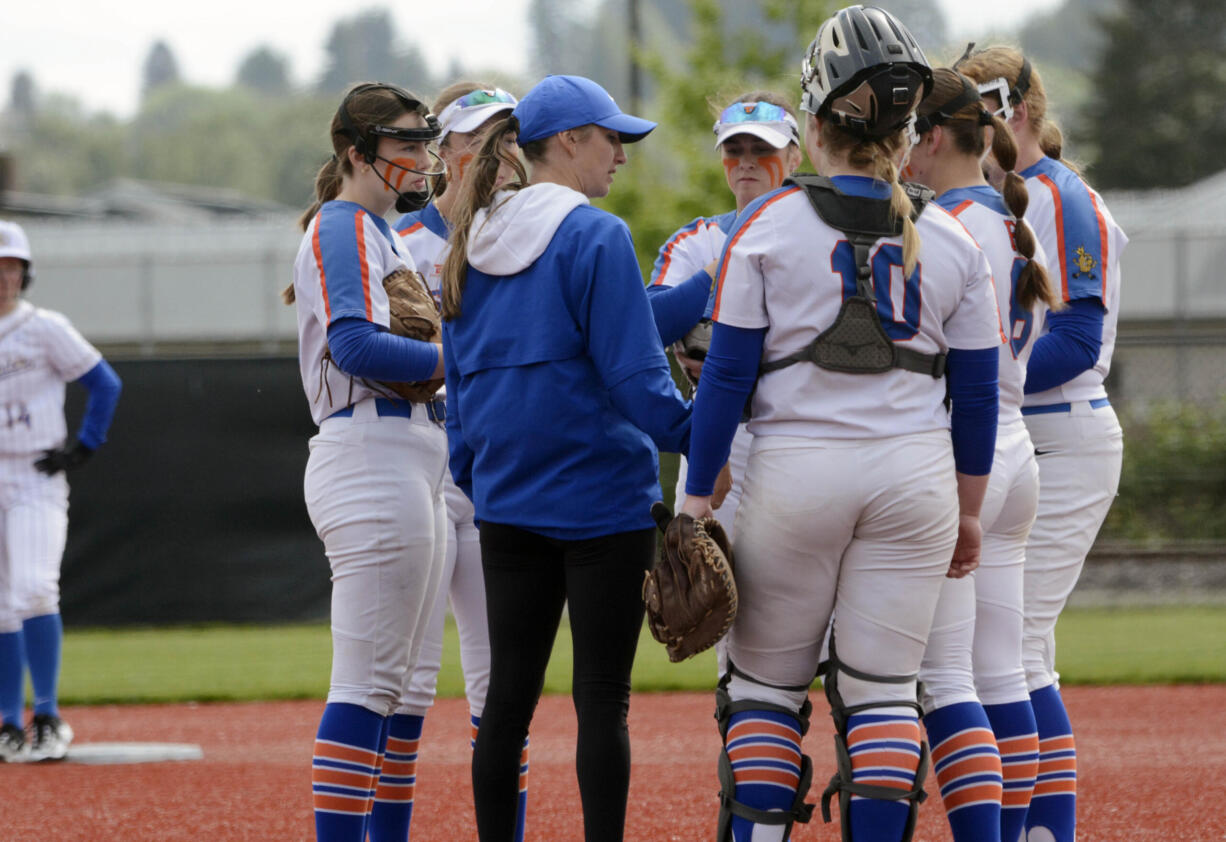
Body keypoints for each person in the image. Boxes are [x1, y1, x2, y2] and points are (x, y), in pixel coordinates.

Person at [677, 7, 1006, 842]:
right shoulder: (953, 238)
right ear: (907, 127)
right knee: (886, 695)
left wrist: (695, 497)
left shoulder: (762, 228)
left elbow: (724, 380)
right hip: (917, 479)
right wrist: (970, 510)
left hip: (795, 472)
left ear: (814, 122)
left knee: (764, 692)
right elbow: (976, 397)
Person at [439, 74, 692, 842]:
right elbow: (638, 385)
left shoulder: (469, 239)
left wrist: (481, 480)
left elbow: (459, 391)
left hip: (507, 504)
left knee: (506, 704)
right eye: (610, 136)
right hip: (602, 502)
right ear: (568, 140)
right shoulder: (594, 235)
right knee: (601, 699)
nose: (621, 153)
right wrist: (714, 428)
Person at [957, 45, 1128, 842]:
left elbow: (1082, 340)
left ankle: (1036, 829)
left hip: (1064, 429)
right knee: (1020, 646)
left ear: (1017, 107)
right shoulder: (992, 199)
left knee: (1015, 645)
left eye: (979, 102)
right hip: (1030, 432)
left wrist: (977, 377)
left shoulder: (1061, 196)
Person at [288, 82, 450, 842]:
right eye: (404, 144)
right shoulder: (345, 223)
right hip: (370, 448)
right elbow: (353, 347)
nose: (421, 157)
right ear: (357, 154)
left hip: (412, 448)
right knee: (370, 682)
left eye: (424, 141)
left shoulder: (382, 229)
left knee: (409, 688)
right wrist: (464, 358)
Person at [906, 67, 1062, 842]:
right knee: (1005, 673)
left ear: (931, 137)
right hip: (1014, 448)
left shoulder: (945, 224)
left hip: (961, 452)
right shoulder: (1006, 217)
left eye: (906, 131)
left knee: (945, 678)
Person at [391, 82, 530, 842]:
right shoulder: (400, 243)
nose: (497, 151)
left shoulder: (531, 238)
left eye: (508, 135)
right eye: (479, 136)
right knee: (404, 689)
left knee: (499, 689)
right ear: (445, 152)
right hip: (420, 469)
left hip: (494, 484)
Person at [647, 91, 803, 533]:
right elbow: (648, 326)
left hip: (797, 429)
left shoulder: (819, 235)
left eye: (763, 149)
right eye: (734, 150)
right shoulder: (697, 240)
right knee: (704, 594)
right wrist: (719, 269)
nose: (747, 162)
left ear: (795, 157)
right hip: (718, 431)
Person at [0, 219, 122, 763]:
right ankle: (8, 723)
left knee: (34, 590)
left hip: (34, 474)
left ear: (25, 273)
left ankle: (47, 716)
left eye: (11, 266)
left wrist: (84, 447)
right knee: (2, 606)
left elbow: (104, 382)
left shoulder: (43, 327)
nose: (3, 275)